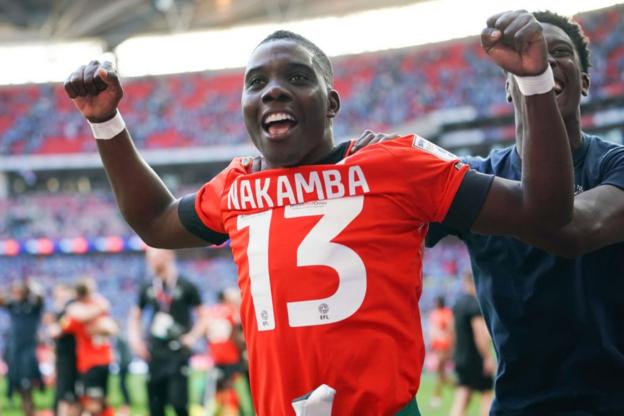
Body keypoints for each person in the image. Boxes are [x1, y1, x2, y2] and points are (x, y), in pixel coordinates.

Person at [64, 10, 575, 414]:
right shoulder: (236, 186)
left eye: (295, 76)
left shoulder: (395, 166)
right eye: (256, 81)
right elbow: (154, 221)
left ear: (331, 103)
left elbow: (543, 212)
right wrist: (107, 123)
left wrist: (533, 85)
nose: (273, 89)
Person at [424, 10, 624, 415]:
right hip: (517, 406)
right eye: (529, 56)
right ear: (507, 87)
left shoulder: (616, 165)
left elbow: (571, 228)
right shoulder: (477, 176)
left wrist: (534, 78)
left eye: (560, 53)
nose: (544, 61)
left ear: (584, 83)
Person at [128, 247, 203, 416]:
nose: (152, 261)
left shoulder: (186, 285)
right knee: (155, 406)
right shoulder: (147, 286)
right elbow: (135, 317)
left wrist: (192, 337)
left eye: (156, 256)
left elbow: (203, 316)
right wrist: (136, 340)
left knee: (179, 404)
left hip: (178, 351)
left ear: (169, 255)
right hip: (154, 352)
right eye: (149, 257)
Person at [61, 278, 117, 416]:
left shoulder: (77, 313)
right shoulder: (97, 310)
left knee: (93, 403)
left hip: (92, 364)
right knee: (94, 401)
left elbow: (62, 326)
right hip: (95, 363)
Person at [450, 273, 494, 416]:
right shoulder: (475, 304)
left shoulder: (458, 304)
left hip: (460, 356)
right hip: (475, 358)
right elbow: (479, 333)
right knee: (487, 395)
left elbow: (452, 331)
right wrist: (487, 357)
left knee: (462, 395)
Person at [0, 281, 45, 416]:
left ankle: (30, 412)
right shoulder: (13, 305)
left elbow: (40, 297)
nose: (16, 294)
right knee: (19, 389)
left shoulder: (33, 306)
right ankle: (28, 411)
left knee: (27, 389)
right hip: (15, 353)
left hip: (28, 352)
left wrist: (31, 285)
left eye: (19, 291)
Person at [49, 283, 80, 416]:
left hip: (72, 358)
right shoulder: (61, 312)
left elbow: (57, 330)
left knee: (69, 394)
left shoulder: (72, 309)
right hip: (63, 358)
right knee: (64, 393)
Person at [427, 296, 454, 408]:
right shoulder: (441, 313)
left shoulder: (443, 314)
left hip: (443, 345)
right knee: (441, 372)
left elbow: (449, 330)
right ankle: (457, 387)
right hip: (440, 345)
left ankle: (436, 396)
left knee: (440, 371)